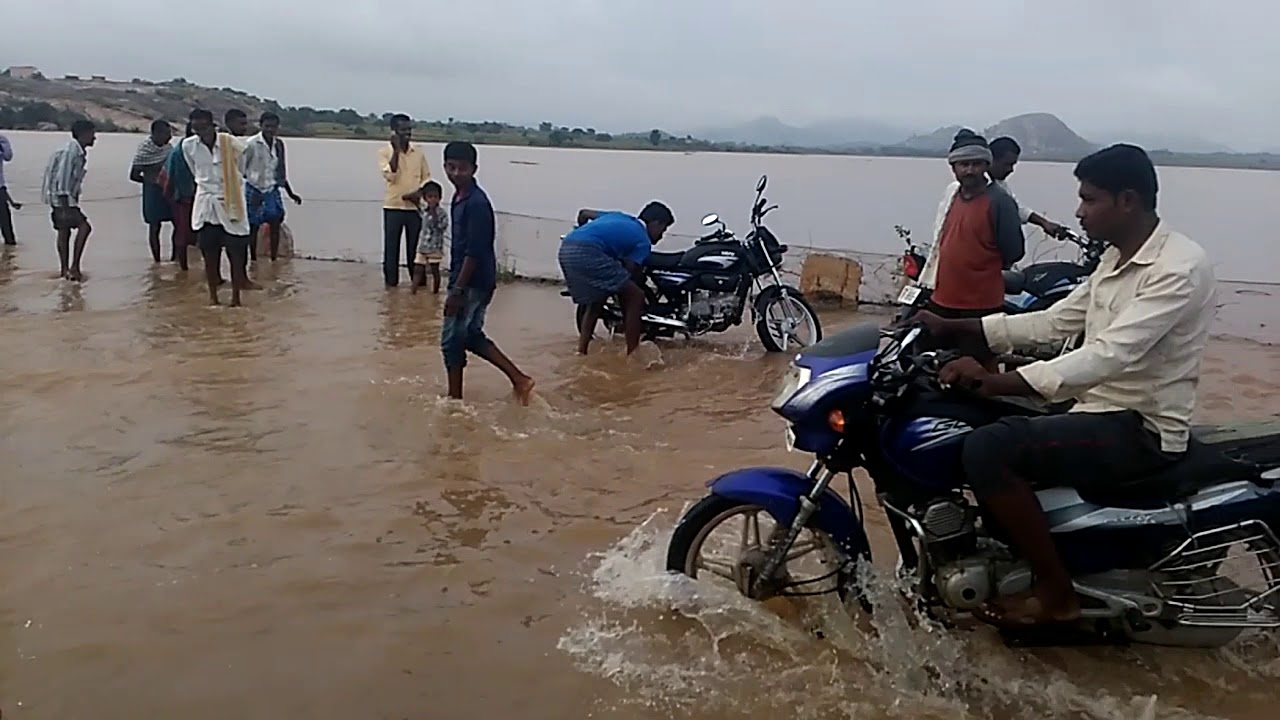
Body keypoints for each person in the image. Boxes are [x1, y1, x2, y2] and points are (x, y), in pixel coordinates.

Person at [916, 144, 1217, 627]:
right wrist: (961, 329)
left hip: (1140, 426)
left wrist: (999, 382)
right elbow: (1057, 321)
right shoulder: (1117, 259)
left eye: (1089, 199)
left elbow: (1109, 354)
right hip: (1094, 408)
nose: (1078, 212)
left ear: (1127, 201)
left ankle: (1056, 592)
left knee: (987, 449)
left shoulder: (1177, 269)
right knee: (974, 421)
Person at [916, 130, 1024, 363]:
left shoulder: (999, 201)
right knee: (931, 368)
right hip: (942, 300)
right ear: (953, 167)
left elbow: (1014, 251)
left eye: (976, 164)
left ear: (986, 165)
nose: (970, 170)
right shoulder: (952, 196)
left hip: (980, 308)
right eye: (963, 164)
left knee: (977, 373)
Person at [440, 141, 534, 405]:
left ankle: (454, 401)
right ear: (444, 166)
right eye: (451, 167)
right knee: (469, 336)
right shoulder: (460, 198)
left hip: (472, 282)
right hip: (469, 279)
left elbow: (475, 251)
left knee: (451, 341)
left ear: (474, 169)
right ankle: (520, 380)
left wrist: (457, 290)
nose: (456, 173)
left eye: (463, 168)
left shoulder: (477, 204)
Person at [559, 202, 675, 355]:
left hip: (567, 247)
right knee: (636, 297)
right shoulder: (643, 241)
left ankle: (582, 350)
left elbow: (584, 213)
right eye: (663, 229)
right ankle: (633, 353)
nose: (662, 235)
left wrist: (582, 231)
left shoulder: (618, 216)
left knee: (596, 302)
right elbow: (630, 270)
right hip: (589, 252)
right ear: (655, 222)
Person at [181, 108, 252, 306]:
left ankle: (236, 298)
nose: (200, 130)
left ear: (211, 125)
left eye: (203, 126)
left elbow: (242, 168)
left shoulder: (230, 143)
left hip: (231, 202)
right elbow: (194, 171)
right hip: (206, 204)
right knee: (209, 253)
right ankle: (213, 298)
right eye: (196, 127)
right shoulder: (188, 146)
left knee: (236, 252)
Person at [378, 114, 433, 287]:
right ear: (394, 131)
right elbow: (390, 175)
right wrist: (395, 151)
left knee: (416, 250)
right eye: (403, 130)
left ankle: (418, 284)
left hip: (414, 208)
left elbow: (426, 178)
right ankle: (391, 287)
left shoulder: (418, 152)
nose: (407, 134)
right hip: (393, 207)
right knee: (391, 250)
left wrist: (419, 193)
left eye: (409, 130)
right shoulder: (384, 152)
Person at [41, 119, 96, 281]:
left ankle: (65, 270)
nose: (94, 138)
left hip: (61, 198)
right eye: (92, 134)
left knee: (64, 232)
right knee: (84, 227)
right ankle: (74, 267)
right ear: (83, 134)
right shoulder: (70, 152)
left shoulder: (76, 151)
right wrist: (66, 208)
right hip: (62, 198)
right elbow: (62, 179)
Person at [243, 111, 303, 261]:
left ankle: (274, 259)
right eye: (267, 126)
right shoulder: (251, 144)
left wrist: (291, 193)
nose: (270, 130)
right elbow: (241, 168)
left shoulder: (279, 145)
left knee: (275, 221)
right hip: (254, 187)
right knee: (253, 225)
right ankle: (253, 259)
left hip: (271, 188)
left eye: (274, 127)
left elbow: (281, 171)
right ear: (260, 125)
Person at [989, 136, 1067, 237]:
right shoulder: (977, 188)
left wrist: (1044, 223)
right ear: (991, 159)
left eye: (1013, 165)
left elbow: (1017, 209)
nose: (1011, 170)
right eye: (1007, 164)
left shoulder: (1000, 185)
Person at [129, 119, 176, 263]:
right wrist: (150, 181)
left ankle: (175, 258)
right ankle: (157, 261)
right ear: (156, 133)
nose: (170, 137)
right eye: (167, 134)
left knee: (177, 223)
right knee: (154, 226)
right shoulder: (144, 150)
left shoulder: (169, 149)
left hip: (168, 189)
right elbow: (133, 175)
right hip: (152, 192)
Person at [160, 119, 199, 272]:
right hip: (182, 197)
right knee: (182, 233)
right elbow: (169, 176)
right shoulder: (179, 151)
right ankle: (183, 269)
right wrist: (170, 196)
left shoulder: (204, 149)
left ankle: (198, 266)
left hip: (200, 196)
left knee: (201, 233)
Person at [411, 180, 447, 295]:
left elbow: (442, 227)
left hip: (435, 247)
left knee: (434, 271)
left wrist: (434, 213)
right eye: (430, 197)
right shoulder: (424, 211)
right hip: (422, 246)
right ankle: (413, 291)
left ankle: (435, 293)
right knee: (417, 269)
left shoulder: (441, 213)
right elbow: (415, 202)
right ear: (425, 198)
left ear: (439, 198)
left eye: (435, 197)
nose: (432, 199)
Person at [0, 132, 20, 245]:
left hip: (0, 190)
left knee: (6, 225)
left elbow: (8, 157)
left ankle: (9, 246)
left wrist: (11, 202)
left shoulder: (2, 140)